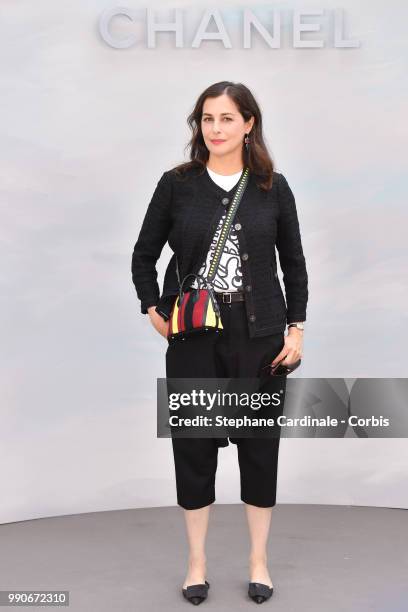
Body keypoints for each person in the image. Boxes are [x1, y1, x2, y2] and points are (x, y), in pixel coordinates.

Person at [131, 81, 308, 605]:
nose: (216, 129)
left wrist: (295, 327)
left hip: (259, 337)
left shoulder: (273, 187)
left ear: (249, 124)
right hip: (193, 337)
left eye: (227, 119)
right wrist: (152, 311)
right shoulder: (177, 185)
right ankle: (197, 563)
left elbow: (293, 265)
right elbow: (143, 255)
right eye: (207, 119)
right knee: (193, 449)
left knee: (259, 449)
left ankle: (258, 561)